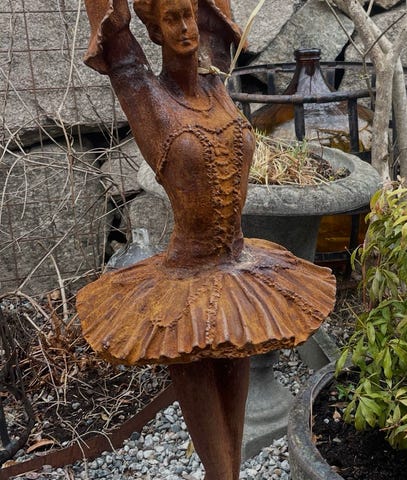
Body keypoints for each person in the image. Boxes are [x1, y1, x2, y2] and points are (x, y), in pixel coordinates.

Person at [76, 1, 336, 479]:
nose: (186, 27)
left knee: (235, 358)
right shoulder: (145, 93)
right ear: (155, 31)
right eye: (172, 18)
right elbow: (111, 31)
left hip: (239, 266)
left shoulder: (216, 83)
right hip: (186, 279)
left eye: (189, 14)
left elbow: (220, 21)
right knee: (197, 371)